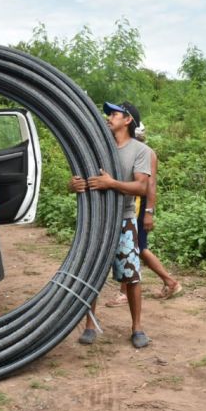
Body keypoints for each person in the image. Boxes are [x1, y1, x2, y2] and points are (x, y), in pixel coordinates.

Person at [70, 101, 151, 348]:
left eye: (114, 114)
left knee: (131, 276)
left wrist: (111, 183)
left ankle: (137, 328)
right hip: (97, 220)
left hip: (124, 219)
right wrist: (73, 185)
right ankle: (89, 325)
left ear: (128, 120)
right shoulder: (97, 148)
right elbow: (80, 180)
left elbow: (141, 187)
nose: (109, 118)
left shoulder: (140, 150)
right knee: (91, 273)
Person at [105, 123, 181, 308]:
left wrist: (148, 212)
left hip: (139, 205)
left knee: (138, 247)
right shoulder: (127, 149)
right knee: (136, 248)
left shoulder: (144, 152)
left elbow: (150, 184)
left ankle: (168, 282)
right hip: (136, 203)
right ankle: (166, 282)